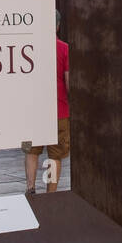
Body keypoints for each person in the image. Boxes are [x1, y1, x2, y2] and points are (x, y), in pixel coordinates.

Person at [25, 10, 70, 195]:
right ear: (58, 26)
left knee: (32, 151)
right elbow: (68, 82)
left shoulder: (30, 47)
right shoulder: (64, 49)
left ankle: (31, 187)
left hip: (34, 108)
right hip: (59, 109)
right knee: (55, 155)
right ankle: (51, 191)